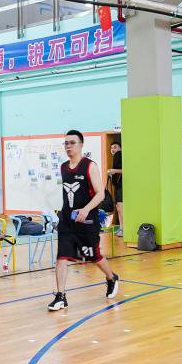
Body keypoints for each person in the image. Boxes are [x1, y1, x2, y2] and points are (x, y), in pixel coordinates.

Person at [47, 130, 121, 311]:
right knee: (61, 257)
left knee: (93, 256)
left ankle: (111, 277)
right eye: (66, 143)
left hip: (87, 222)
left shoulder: (89, 166)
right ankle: (60, 296)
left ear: (81, 145)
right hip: (67, 221)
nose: (68, 146)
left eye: (72, 143)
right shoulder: (63, 167)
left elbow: (100, 194)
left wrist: (86, 209)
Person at [107, 140, 123, 235]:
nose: (113, 149)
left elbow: (126, 170)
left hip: (121, 186)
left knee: (120, 207)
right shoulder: (116, 157)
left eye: (115, 147)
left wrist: (114, 171)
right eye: (111, 148)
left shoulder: (119, 155)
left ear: (120, 148)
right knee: (118, 207)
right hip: (118, 186)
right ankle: (121, 228)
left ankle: (123, 229)